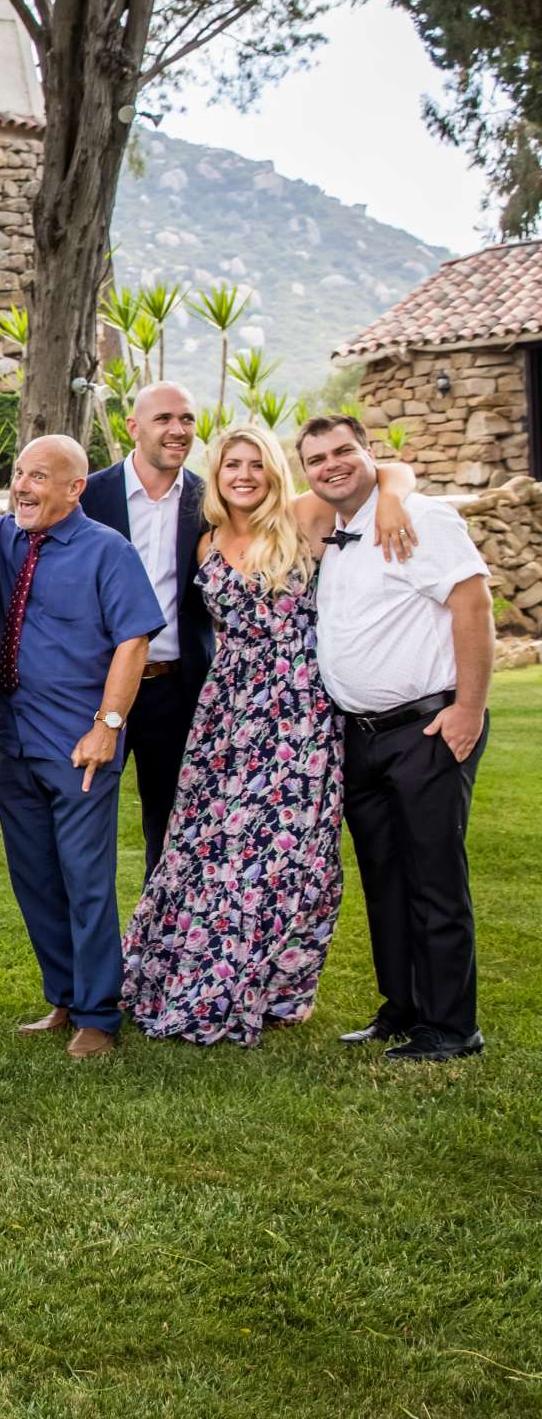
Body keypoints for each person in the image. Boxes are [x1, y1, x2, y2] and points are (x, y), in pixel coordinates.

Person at [121, 423, 417, 1047]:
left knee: (289, 853)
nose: (245, 476)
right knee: (205, 848)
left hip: (298, 712)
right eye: (232, 466)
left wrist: (391, 495)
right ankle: (181, 973)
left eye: (256, 464)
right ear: (217, 474)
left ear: (273, 470)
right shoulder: (204, 543)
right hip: (225, 713)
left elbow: (383, 472)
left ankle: (273, 985)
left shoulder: (301, 519)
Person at [300, 413, 494, 1062]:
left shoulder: (422, 518)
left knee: (434, 877)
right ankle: (403, 1008)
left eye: (343, 451)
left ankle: (451, 1026)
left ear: (368, 453)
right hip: (363, 737)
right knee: (385, 878)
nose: (331, 465)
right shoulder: (341, 530)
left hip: (428, 726)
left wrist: (469, 708)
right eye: (317, 458)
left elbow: (473, 605)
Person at [0, 435, 163, 1060]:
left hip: (79, 743)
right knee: (34, 877)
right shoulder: (1, 537)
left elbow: (135, 641)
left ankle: (98, 1013)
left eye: (40, 476)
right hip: (12, 738)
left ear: (74, 488)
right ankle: (62, 996)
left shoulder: (107, 551)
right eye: (18, 473)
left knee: (86, 880)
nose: (24, 486)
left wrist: (108, 725)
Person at [78, 383, 210, 874]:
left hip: (176, 688)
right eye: (164, 419)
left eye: (188, 419)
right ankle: (93, 944)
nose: (178, 430)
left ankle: (164, 940)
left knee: (173, 826)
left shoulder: (208, 497)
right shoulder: (89, 494)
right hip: (97, 686)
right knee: (86, 815)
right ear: (133, 427)